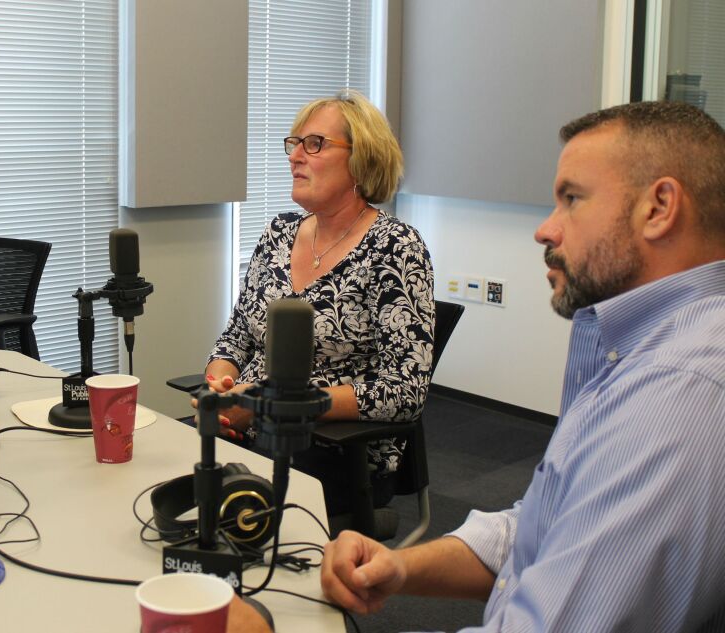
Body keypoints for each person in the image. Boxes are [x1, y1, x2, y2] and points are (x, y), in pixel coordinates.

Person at [229, 100, 725, 632]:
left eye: (572, 200)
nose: (544, 230)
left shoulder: (676, 392)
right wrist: (399, 566)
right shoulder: (628, 352)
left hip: (332, 446)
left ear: (659, 207)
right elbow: (540, 526)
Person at [200, 90, 435, 514]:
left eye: (315, 144)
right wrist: (222, 388)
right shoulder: (278, 233)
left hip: (334, 447)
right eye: (295, 144)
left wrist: (267, 403)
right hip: (251, 426)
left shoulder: (396, 248)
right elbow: (236, 337)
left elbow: (405, 392)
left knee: (226, 514)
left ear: (361, 160)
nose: (295, 157)